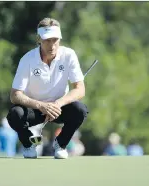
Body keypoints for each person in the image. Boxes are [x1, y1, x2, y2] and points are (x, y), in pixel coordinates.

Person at [6, 18, 88, 159]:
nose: (52, 45)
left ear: (60, 39)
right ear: (39, 39)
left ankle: (60, 144)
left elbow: (80, 89)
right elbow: (15, 95)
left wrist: (57, 104)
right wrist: (42, 106)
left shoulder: (69, 55)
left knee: (80, 110)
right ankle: (28, 144)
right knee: (15, 114)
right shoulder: (27, 59)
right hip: (34, 108)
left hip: (59, 108)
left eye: (55, 40)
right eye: (47, 40)